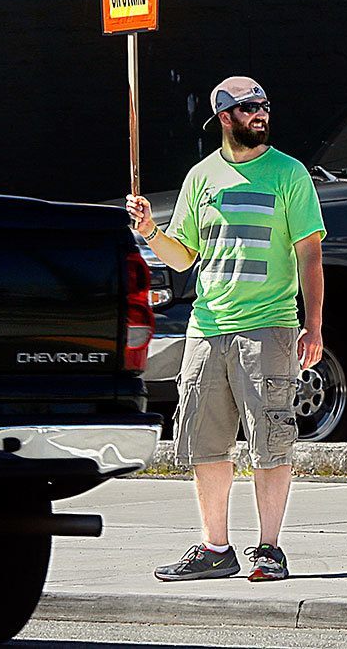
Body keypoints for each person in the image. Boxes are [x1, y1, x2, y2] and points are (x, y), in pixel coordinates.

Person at [127, 76, 326, 584]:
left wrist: (314, 324)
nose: (261, 113)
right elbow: (183, 255)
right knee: (206, 443)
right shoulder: (202, 178)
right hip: (207, 326)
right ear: (224, 117)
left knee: (270, 440)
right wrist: (150, 231)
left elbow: (310, 254)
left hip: (270, 326)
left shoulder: (290, 173)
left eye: (264, 104)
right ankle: (216, 548)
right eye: (248, 107)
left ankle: (269, 550)